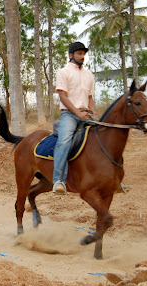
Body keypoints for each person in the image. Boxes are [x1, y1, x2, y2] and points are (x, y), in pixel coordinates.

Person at [52, 42, 97, 195]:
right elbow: (63, 97)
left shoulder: (89, 75)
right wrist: (78, 114)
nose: (82, 56)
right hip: (69, 114)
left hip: (86, 114)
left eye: (83, 54)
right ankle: (58, 181)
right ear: (71, 55)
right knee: (64, 142)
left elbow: (90, 97)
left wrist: (92, 112)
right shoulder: (63, 72)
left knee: (105, 135)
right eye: (79, 53)